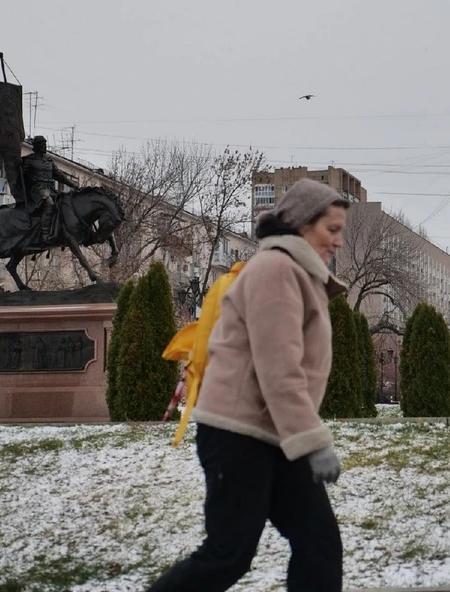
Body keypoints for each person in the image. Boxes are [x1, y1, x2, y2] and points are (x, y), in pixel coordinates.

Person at [148, 179, 350, 592]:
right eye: (332, 230)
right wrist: (314, 441)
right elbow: (278, 368)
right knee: (229, 553)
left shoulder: (296, 273)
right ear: (302, 225)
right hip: (237, 435)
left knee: (319, 544)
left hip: (276, 436)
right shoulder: (275, 269)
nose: (339, 242)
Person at [20, 135, 79, 243]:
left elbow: (59, 175)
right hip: (37, 189)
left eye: (45, 144)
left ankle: (62, 230)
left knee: (65, 202)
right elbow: (22, 177)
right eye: (42, 145)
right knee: (49, 204)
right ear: (36, 146)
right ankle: (45, 234)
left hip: (50, 188)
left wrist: (73, 185)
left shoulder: (49, 160)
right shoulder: (29, 160)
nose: (44, 147)